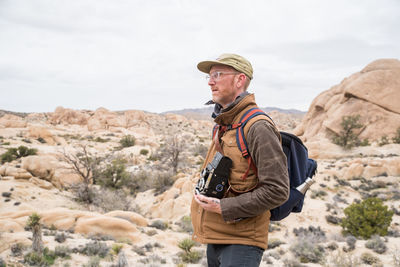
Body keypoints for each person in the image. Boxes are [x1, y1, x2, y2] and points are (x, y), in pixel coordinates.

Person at [191, 53, 290, 267]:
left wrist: (223, 207)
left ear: (239, 80)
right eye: (209, 76)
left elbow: (278, 190)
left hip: (242, 241)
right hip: (216, 236)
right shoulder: (225, 123)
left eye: (217, 74)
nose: (210, 81)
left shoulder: (257, 126)